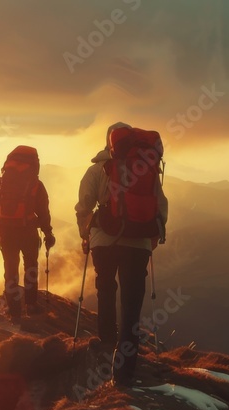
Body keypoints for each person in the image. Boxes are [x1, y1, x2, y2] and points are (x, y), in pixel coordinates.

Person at [75, 123, 168, 384]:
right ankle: (124, 372)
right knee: (131, 306)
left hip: (103, 240)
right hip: (137, 243)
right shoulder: (146, 168)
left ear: (109, 142)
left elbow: (84, 205)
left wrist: (86, 234)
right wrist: (154, 238)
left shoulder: (97, 169)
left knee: (106, 287)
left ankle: (106, 342)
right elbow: (160, 205)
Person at [0, 145, 55, 324]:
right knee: (30, 268)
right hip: (28, 231)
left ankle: (14, 311)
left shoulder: (2, 181)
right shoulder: (36, 184)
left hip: (7, 231)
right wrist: (48, 232)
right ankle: (31, 305)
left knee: (10, 270)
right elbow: (43, 211)